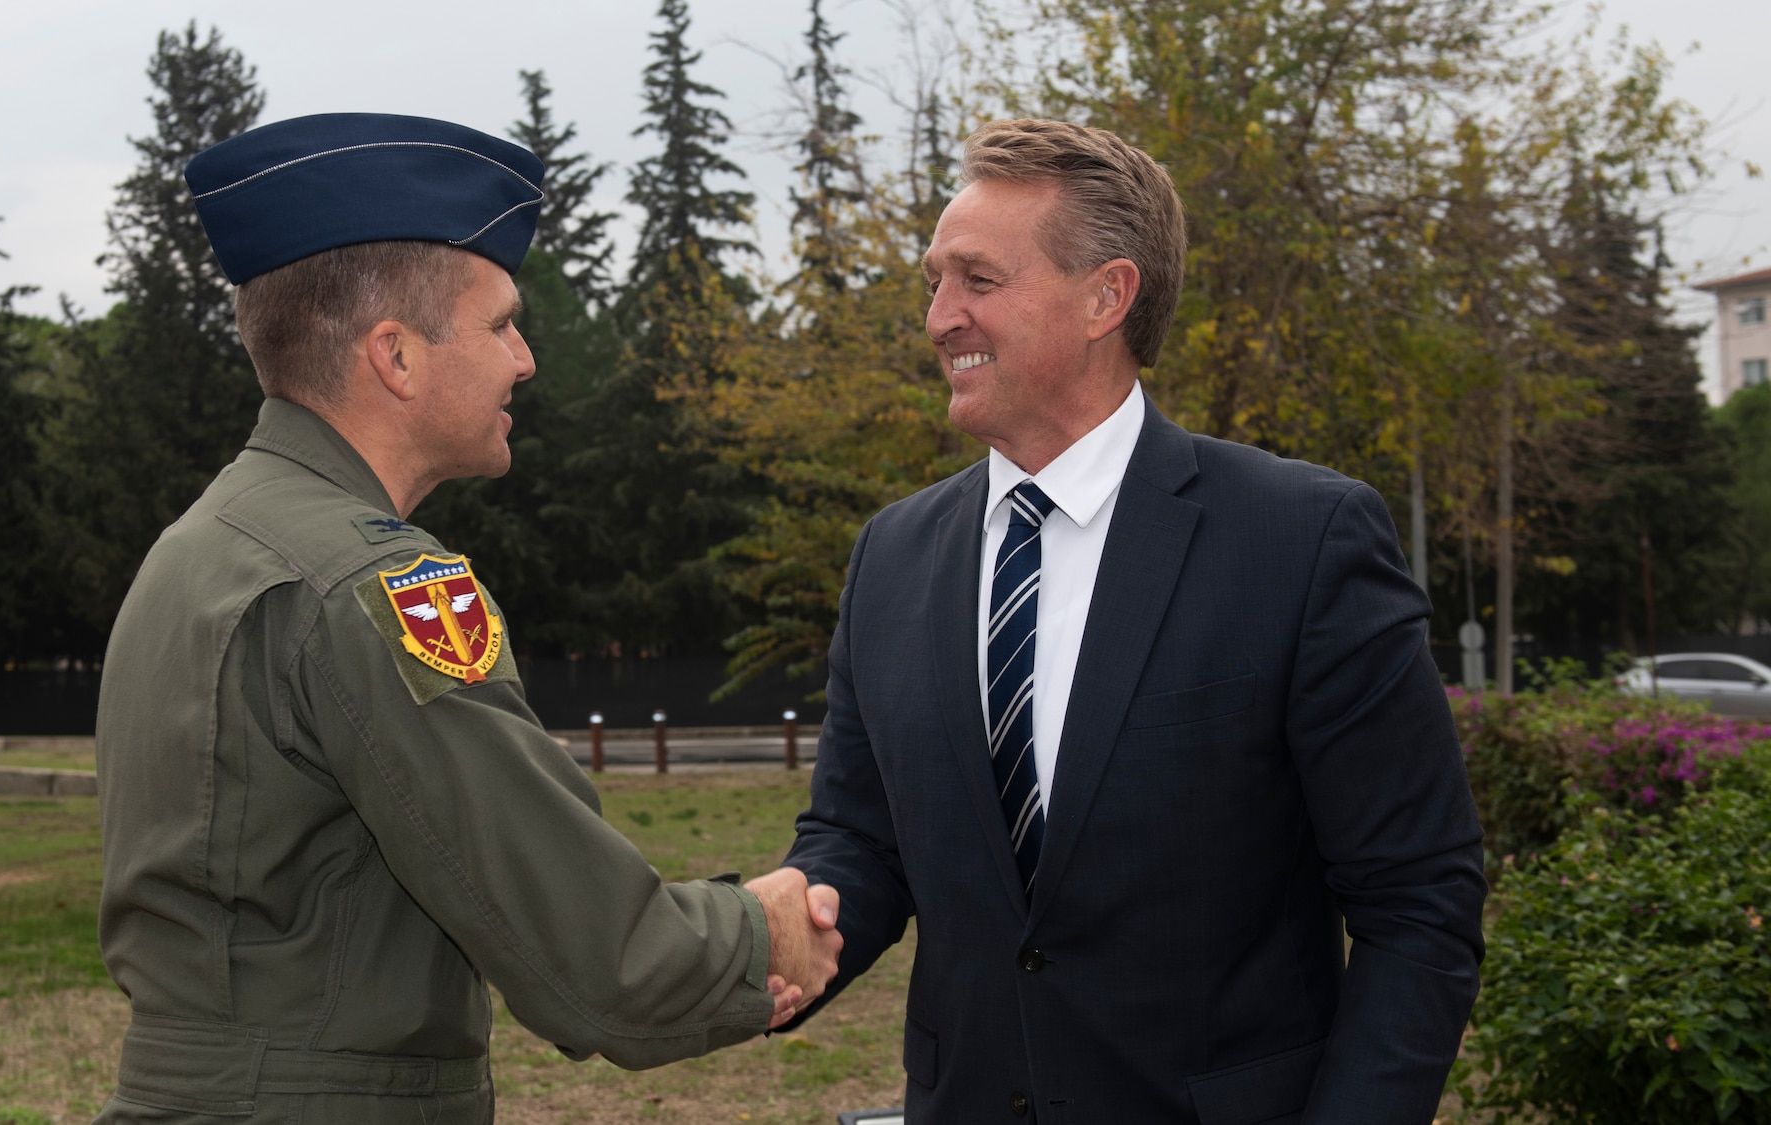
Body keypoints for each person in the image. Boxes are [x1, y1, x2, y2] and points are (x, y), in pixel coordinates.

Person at [91, 112, 839, 1125]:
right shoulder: (376, 583)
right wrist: (761, 934)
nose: (524, 360)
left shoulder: (200, 546)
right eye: (498, 325)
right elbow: (600, 961)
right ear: (394, 357)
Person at [780, 118, 1486, 1123]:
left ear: (1106, 295)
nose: (940, 318)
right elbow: (860, 843)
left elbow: (1418, 903)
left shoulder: (1300, 541)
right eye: (933, 282)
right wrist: (748, 946)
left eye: (976, 280)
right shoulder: (890, 556)